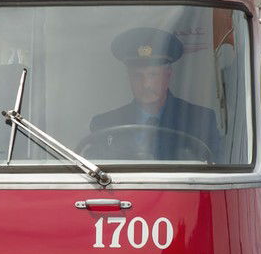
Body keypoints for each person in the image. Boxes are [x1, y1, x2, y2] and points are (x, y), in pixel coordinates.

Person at [87, 27, 224, 160]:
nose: (146, 84)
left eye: (153, 75)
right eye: (137, 76)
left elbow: (217, 169)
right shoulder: (106, 125)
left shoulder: (199, 121)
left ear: (168, 75)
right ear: (128, 78)